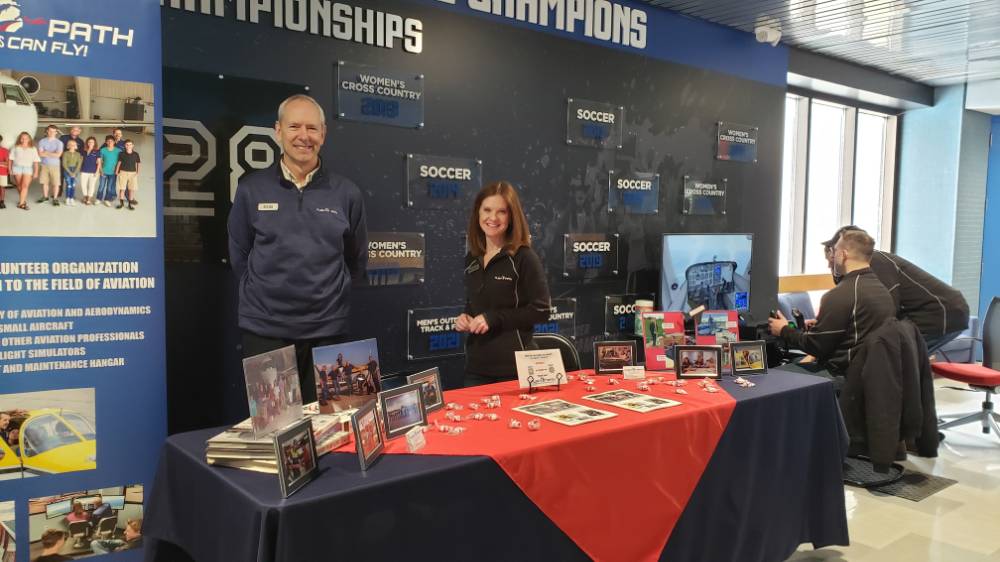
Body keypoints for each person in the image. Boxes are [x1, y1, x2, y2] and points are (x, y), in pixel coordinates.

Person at [228, 94, 368, 403]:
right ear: (278, 131)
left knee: (338, 421)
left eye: (312, 128)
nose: (304, 136)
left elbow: (356, 258)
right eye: (294, 126)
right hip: (266, 332)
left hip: (330, 331)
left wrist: (331, 298)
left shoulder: (347, 193)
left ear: (323, 134)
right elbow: (239, 254)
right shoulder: (251, 189)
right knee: (276, 427)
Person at [456, 181, 551, 387]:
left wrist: (493, 318)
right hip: (476, 369)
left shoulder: (524, 257)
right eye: (487, 210)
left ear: (512, 216)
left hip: (516, 369)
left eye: (501, 211)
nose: (493, 218)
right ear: (478, 213)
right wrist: (466, 317)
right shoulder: (472, 258)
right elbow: (477, 303)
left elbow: (542, 310)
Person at [770, 229, 896, 384]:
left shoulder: (841, 294)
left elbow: (816, 346)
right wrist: (822, 326)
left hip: (841, 376)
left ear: (843, 255)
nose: (832, 257)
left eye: (834, 251)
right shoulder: (882, 291)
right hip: (870, 376)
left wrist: (783, 329)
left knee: (772, 377)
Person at [822, 225, 970, 352]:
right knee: (895, 359)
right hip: (941, 312)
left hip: (941, 312)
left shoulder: (876, 262)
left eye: (831, 260)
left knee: (890, 357)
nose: (830, 266)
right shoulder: (864, 268)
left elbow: (885, 310)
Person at [10, 131, 39, 210]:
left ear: (29, 139)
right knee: (19, 186)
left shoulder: (33, 148)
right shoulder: (15, 147)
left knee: (25, 186)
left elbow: (36, 161)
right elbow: (10, 159)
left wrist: (36, 172)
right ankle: (22, 200)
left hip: (28, 169)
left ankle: (21, 204)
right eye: (22, 138)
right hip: (17, 168)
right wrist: (10, 169)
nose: (24, 139)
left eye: (26, 138)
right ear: (20, 139)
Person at [36, 125, 64, 206]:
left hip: (55, 165)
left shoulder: (59, 143)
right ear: (47, 131)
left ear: (56, 132)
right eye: (50, 131)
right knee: (44, 182)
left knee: (56, 183)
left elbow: (58, 155)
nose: (52, 133)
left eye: (54, 131)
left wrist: (46, 152)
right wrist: (52, 153)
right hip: (44, 165)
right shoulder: (42, 141)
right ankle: (45, 197)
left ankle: (55, 198)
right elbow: (40, 154)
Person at [115, 139, 140, 210]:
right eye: (127, 145)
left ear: (133, 145)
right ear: (125, 146)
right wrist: (117, 171)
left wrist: (137, 172)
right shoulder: (121, 154)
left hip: (133, 173)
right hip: (123, 172)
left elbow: (138, 163)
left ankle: (130, 204)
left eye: (130, 144)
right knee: (122, 189)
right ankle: (121, 203)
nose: (128, 146)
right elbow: (119, 162)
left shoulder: (136, 154)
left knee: (131, 189)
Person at [96, 135, 121, 207]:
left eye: (111, 141)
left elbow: (120, 162)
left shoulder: (118, 151)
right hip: (104, 171)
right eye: (108, 141)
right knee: (101, 186)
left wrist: (117, 171)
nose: (110, 142)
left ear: (114, 142)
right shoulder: (103, 150)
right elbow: (100, 161)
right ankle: (98, 198)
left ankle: (107, 199)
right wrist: (101, 170)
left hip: (113, 173)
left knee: (109, 187)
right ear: (106, 142)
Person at [79, 137, 101, 206]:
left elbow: (99, 162)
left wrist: (97, 171)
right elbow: (81, 160)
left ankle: (89, 199)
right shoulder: (84, 151)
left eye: (92, 142)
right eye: (89, 142)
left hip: (93, 171)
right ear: (87, 143)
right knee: (83, 185)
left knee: (91, 185)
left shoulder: (97, 151)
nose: (90, 143)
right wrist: (80, 169)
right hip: (84, 170)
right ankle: (85, 197)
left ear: (94, 143)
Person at [61, 139, 82, 206]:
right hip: (67, 170)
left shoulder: (78, 154)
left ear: (76, 146)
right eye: (71, 145)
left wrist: (75, 172)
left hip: (75, 170)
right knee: (69, 185)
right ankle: (67, 198)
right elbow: (64, 164)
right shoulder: (65, 153)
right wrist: (70, 172)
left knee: (73, 185)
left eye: (74, 145)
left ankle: (71, 198)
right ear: (68, 146)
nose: (72, 146)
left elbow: (79, 164)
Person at [0, 135, 8, 209]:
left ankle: (2, 201)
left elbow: (7, 163)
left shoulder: (4, 150)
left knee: (2, 187)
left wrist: (2, 163)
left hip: (2, 172)